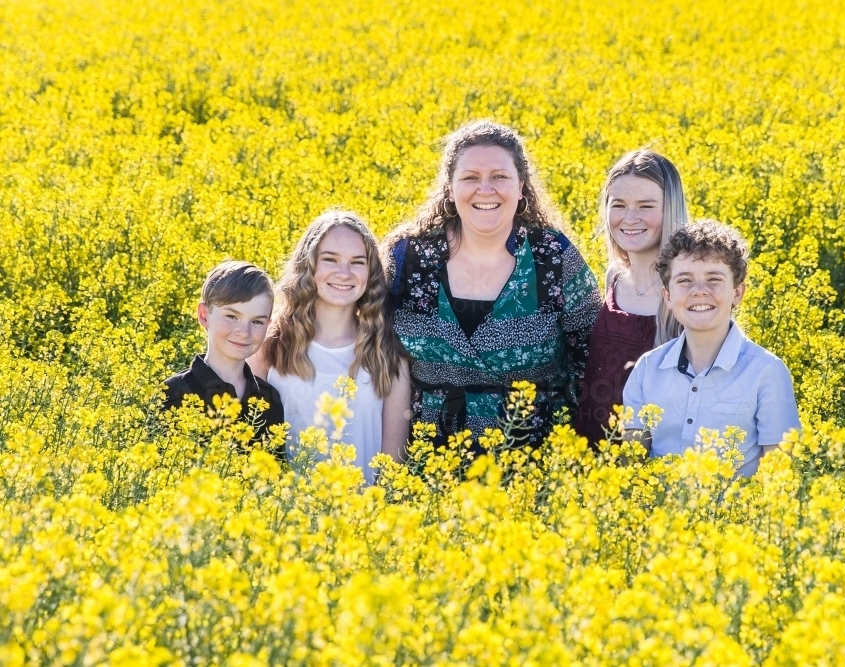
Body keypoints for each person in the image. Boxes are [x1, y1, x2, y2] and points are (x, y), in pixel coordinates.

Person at [384, 120, 601, 448]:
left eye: (499, 176)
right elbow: (375, 358)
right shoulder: (408, 258)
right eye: (470, 178)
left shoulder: (552, 256)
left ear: (521, 187)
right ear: (450, 188)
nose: (485, 190)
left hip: (535, 472)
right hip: (428, 467)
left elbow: (593, 359)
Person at [622, 220, 800, 477]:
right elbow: (631, 470)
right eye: (685, 280)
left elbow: (781, 478)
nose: (699, 291)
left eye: (713, 279)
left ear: (738, 292)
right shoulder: (647, 369)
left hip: (736, 516)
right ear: (668, 296)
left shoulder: (767, 372)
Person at [252, 210, 410, 484]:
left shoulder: (388, 352)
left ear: (370, 273)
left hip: (362, 519)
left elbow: (392, 467)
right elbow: (250, 443)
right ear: (309, 265)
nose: (344, 273)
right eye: (330, 259)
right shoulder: (270, 343)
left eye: (357, 262)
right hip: (286, 517)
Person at [574, 149, 689, 444]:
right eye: (619, 205)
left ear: (670, 209)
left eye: (646, 206)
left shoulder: (685, 290)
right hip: (586, 449)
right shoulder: (614, 276)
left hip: (645, 462)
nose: (630, 218)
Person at [162, 261, 285, 456]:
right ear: (204, 315)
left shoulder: (269, 399)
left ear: (268, 325)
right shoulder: (173, 393)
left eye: (257, 321)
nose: (244, 332)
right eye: (232, 316)